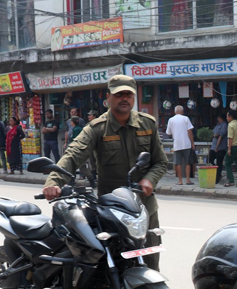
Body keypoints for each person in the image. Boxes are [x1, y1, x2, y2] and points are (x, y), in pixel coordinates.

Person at [42, 75, 168, 271]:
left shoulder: (147, 124)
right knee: (110, 268)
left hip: (145, 208)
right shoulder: (97, 128)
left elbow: (160, 162)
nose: (124, 98)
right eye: (119, 94)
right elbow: (73, 155)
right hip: (111, 211)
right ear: (108, 97)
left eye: (128, 94)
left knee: (151, 267)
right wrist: (54, 181)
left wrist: (149, 179)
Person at [166, 105, 195, 185]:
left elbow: (168, 133)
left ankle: (180, 180)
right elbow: (190, 131)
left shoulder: (171, 120)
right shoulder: (186, 118)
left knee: (178, 163)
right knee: (187, 163)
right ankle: (188, 180)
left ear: (175, 112)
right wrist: (192, 143)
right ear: (182, 112)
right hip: (186, 144)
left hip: (177, 144)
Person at [225, 110, 237, 187]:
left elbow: (230, 138)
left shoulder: (230, 125)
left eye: (227, 116)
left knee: (227, 163)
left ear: (230, 117)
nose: (226, 118)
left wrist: (229, 149)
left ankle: (231, 181)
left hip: (232, 146)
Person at [210, 113, 228, 185]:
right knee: (210, 160)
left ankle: (217, 177)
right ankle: (215, 173)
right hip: (213, 146)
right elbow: (213, 133)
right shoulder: (217, 125)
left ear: (221, 118)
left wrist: (217, 146)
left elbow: (221, 135)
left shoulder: (224, 125)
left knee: (219, 163)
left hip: (220, 147)